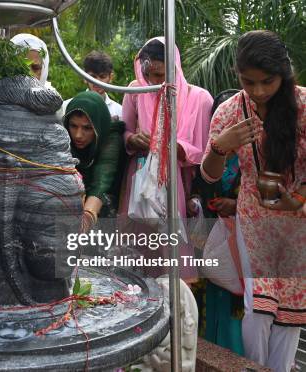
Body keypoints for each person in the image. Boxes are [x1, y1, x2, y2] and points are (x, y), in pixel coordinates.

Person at [200, 30, 305, 371]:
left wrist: (298, 200)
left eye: (268, 82)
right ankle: (254, 367)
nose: (258, 91)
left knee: (290, 308)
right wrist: (221, 146)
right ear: (238, 76)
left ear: (284, 74)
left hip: (299, 218)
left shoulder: (304, 106)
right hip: (255, 217)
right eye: (249, 82)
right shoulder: (231, 112)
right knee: (259, 304)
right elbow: (209, 175)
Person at [119, 37, 213, 281]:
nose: (154, 82)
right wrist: (133, 140)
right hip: (139, 178)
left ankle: (179, 311)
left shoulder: (199, 99)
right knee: (138, 248)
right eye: (148, 74)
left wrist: (172, 148)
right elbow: (125, 132)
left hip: (178, 181)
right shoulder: (135, 90)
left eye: (161, 75)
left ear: (175, 68)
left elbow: (205, 152)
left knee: (173, 251)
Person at [189, 89, 244, 355]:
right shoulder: (207, 156)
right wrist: (196, 202)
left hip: (242, 248)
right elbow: (198, 189)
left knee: (236, 305)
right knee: (208, 303)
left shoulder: (255, 159)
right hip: (208, 244)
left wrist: (236, 206)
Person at [64, 91, 124, 229]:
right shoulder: (62, 137)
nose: (78, 135)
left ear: (98, 126)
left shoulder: (110, 138)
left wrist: (87, 217)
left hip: (105, 207)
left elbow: (102, 179)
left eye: (87, 128)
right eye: (73, 126)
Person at [62, 51, 122, 120]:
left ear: (111, 77)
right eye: (93, 77)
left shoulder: (120, 112)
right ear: (84, 77)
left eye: (102, 76)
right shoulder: (66, 107)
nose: (97, 82)